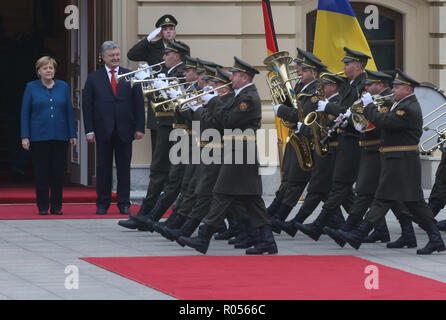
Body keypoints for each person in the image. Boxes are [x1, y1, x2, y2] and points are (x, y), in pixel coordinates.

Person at [325, 69, 445, 255]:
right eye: (394, 87)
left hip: (402, 161)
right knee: (412, 203)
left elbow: (385, 122)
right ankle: (435, 239)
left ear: (408, 89)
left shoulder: (408, 107)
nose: (394, 90)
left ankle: (357, 235)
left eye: (397, 87)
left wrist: (369, 107)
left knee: (384, 199)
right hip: (396, 160)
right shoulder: (401, 103)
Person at [178, 57, 278, 255]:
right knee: (252, 199)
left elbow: (229, 121)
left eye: (234, 75)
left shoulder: (248, 98)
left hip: (240, 150)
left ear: (244, 77)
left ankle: (203, 237)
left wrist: (213, 101)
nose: (230, 78)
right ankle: (267, 241)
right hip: (237, 150)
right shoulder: (241, 95)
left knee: (221, 193)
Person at [294, 47, 368, 241]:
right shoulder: (352, 85)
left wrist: (330, 107)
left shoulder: (362, 85)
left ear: (358, 66)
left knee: (342, 186)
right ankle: (355, 228)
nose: (343, 67)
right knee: (344, 187)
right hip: (345, 139)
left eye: (347, 64)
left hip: (354, 141)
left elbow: (357, 115)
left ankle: (321, 226)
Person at [82, 41, 145, 215]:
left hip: (125, 129)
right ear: (103, 57)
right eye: (112, 55)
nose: (116, 58)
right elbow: (87, 106)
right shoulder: (93, 78)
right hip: (103, 129)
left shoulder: (130, 75)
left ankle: (124, 202)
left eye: (117, 54)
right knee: (103, 168)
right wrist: (89, 130)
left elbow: (139, 104)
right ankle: (102, 202)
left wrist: (140, 127)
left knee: (124, 167)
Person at [21, 56, 77, 215]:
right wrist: (25, 136)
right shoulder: (31, 87)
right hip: (39, 137)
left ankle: (57, 206)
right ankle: (43, 206)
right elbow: (25, 113)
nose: (48, 70)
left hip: (60, 136)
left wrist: (72, 134)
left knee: (58, 173)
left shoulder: (63, 86)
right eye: (45, 68)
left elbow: (69, 112)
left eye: (51, 68)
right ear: (39, 71)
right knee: (41, 173)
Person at [127, 14, 178, 157]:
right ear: (160, 32)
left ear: (175, 32)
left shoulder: (181, 49)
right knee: (158, 148)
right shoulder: (152, 47)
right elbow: (132, 55)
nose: (168, 31)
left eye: (171, 28)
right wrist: (148, 38)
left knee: (176, 148)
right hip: (157, 100)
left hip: (175, 100)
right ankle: (158, 178)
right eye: (165, 29)